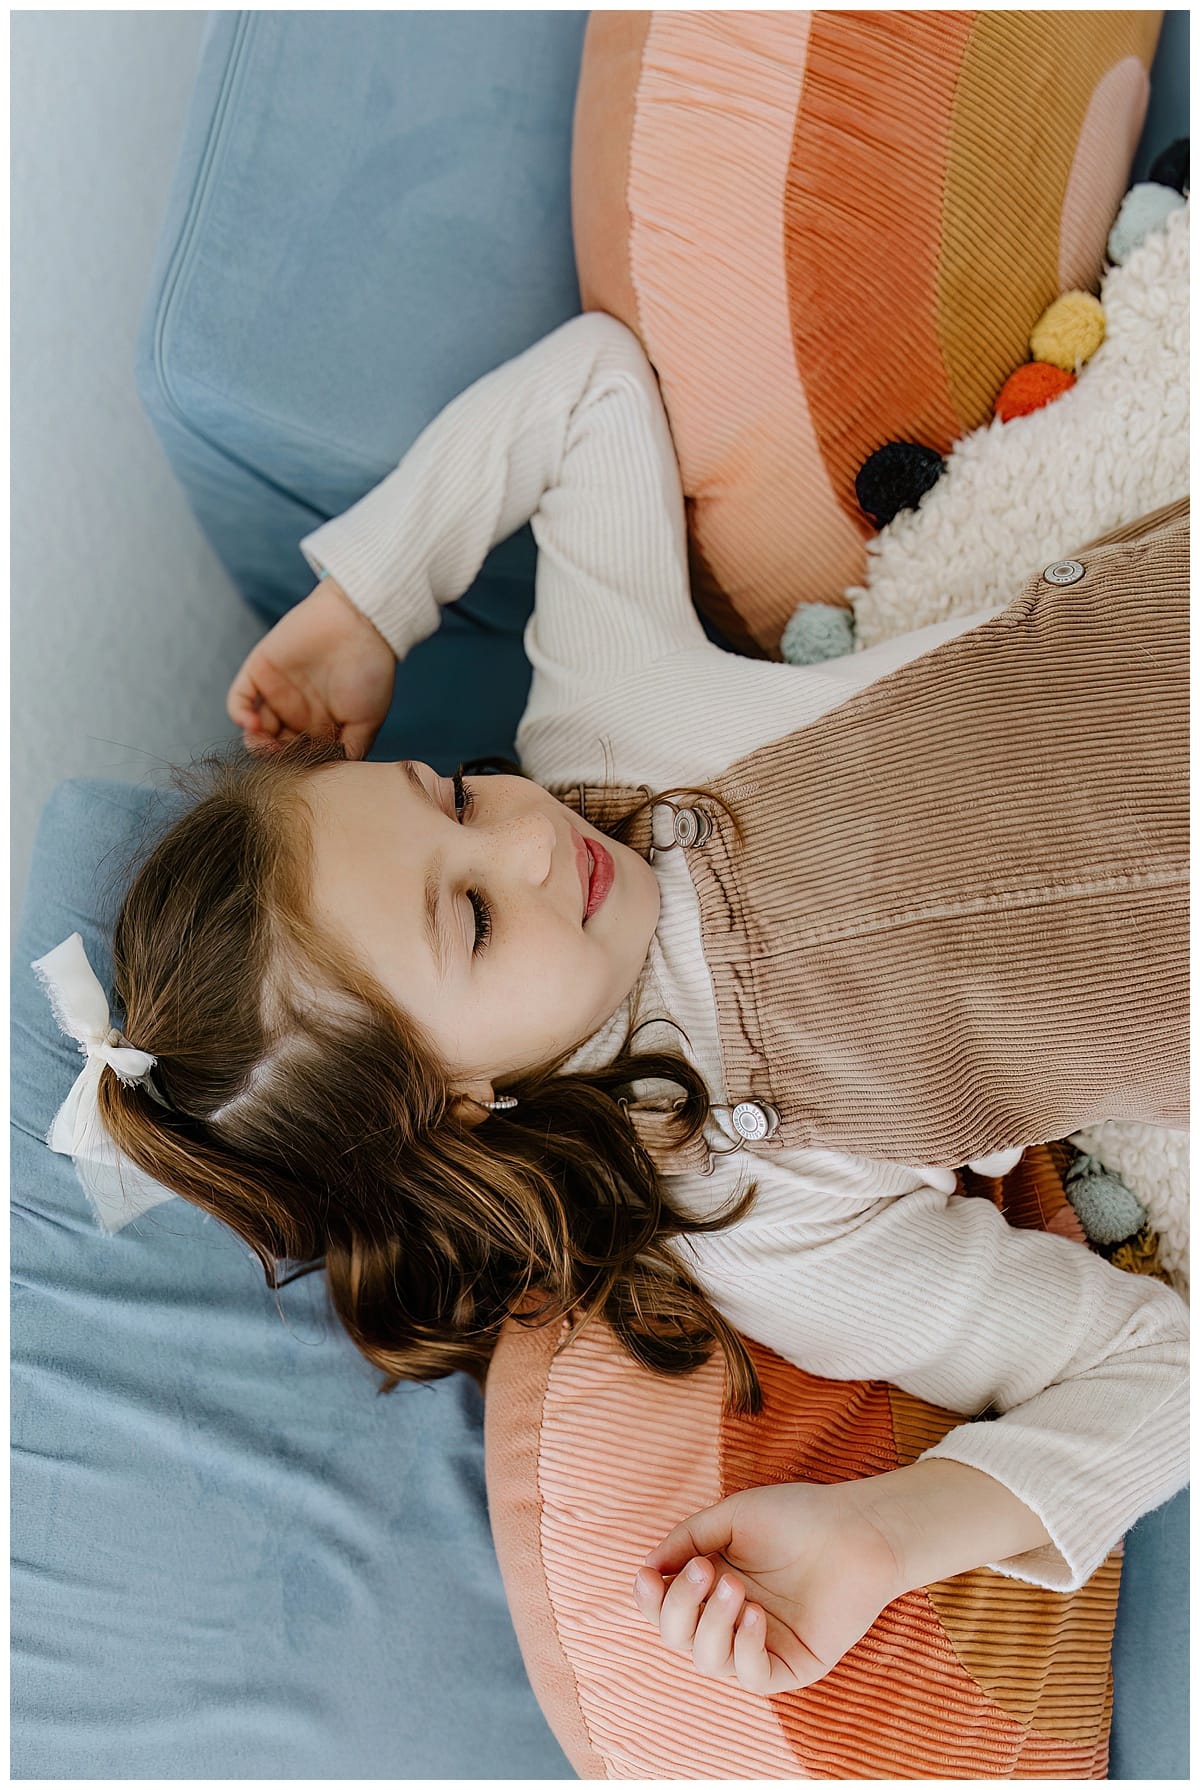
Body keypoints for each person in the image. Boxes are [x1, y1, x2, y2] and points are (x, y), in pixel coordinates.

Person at [36, 314, 1187, 1697]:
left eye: (449, 794)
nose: (524, 841)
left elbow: (588, 389)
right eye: (468, 917)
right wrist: (889, 1533)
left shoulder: (601, 727)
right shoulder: (758, 1222)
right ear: (454, 1103)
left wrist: (368, 604)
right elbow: (1157, 1367)